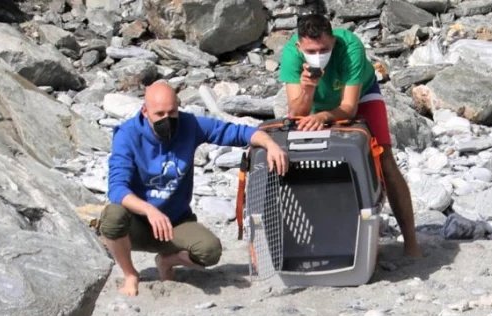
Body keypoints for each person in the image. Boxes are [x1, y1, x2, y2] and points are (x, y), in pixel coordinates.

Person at [101, 81, 288, 296]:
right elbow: (117, 188)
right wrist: (149, 210)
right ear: (145, 111)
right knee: (112, 216)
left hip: (175, 223)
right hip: (138, 223)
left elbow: (238, 132)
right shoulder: (127, 134)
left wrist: (271, 144)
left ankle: (167, 260)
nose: (166, 119)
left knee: (210, 252)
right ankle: (130, 274)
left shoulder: (189, 125)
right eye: (159, 114)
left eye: (172, 112)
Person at [279, 13, 422, 257]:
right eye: (311, 51)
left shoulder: (350, 47)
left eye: (324, 49)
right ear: (299, 46)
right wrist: (309, 87)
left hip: (361, 95)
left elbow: (348, 108)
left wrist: (324, 117)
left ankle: (411, 242)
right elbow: (297, 111)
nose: (318, 56)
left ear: (333, 41)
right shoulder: (290, 56)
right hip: (316, 98)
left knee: (384, 159)